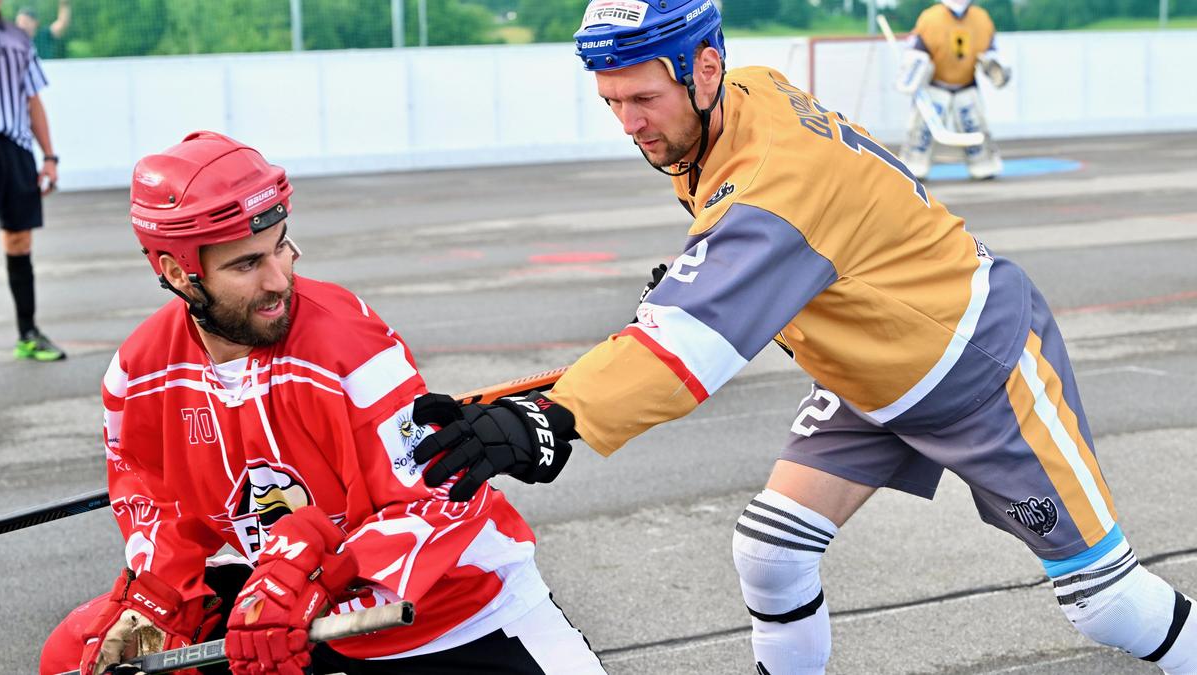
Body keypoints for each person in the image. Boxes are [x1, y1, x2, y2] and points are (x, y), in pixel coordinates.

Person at [409, 1, 1197, 673]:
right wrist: (714, 275)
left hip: (977, 365)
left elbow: (685, 346)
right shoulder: (745, 97)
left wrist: (554, 416)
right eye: (611, 101)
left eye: (643, 97)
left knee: (1106, 601)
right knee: (770, 551)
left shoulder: (775, 180)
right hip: (869, 373)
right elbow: (765, 250)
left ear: (705, 68)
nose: (629, 124)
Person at [37, 131, 605, 675]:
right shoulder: (139, 373)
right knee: (79, 652)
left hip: (457, 619)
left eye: (280, 245)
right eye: (245, 264)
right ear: (177, 273)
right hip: (297, 623)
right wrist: (161, 596)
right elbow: (151, 496)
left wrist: (320, 568)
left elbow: (435, 499)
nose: (279, 277)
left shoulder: (344, 343)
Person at [0, 0, 63, 360]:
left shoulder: (19, 40)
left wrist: (49, 157)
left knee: (19, 240)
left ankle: (28, 333)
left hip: (14, 149)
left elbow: (32, 99)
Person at [897, 0, 1011, 180]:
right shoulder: (931, 18)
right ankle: (914, 165)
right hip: (935, 85)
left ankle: (983, 165)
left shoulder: (981, 19)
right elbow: (916, 50)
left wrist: (994, 66)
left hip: (966, 84)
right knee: (921, 131)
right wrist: (914, 68)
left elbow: (990, 52)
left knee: (974, 124)